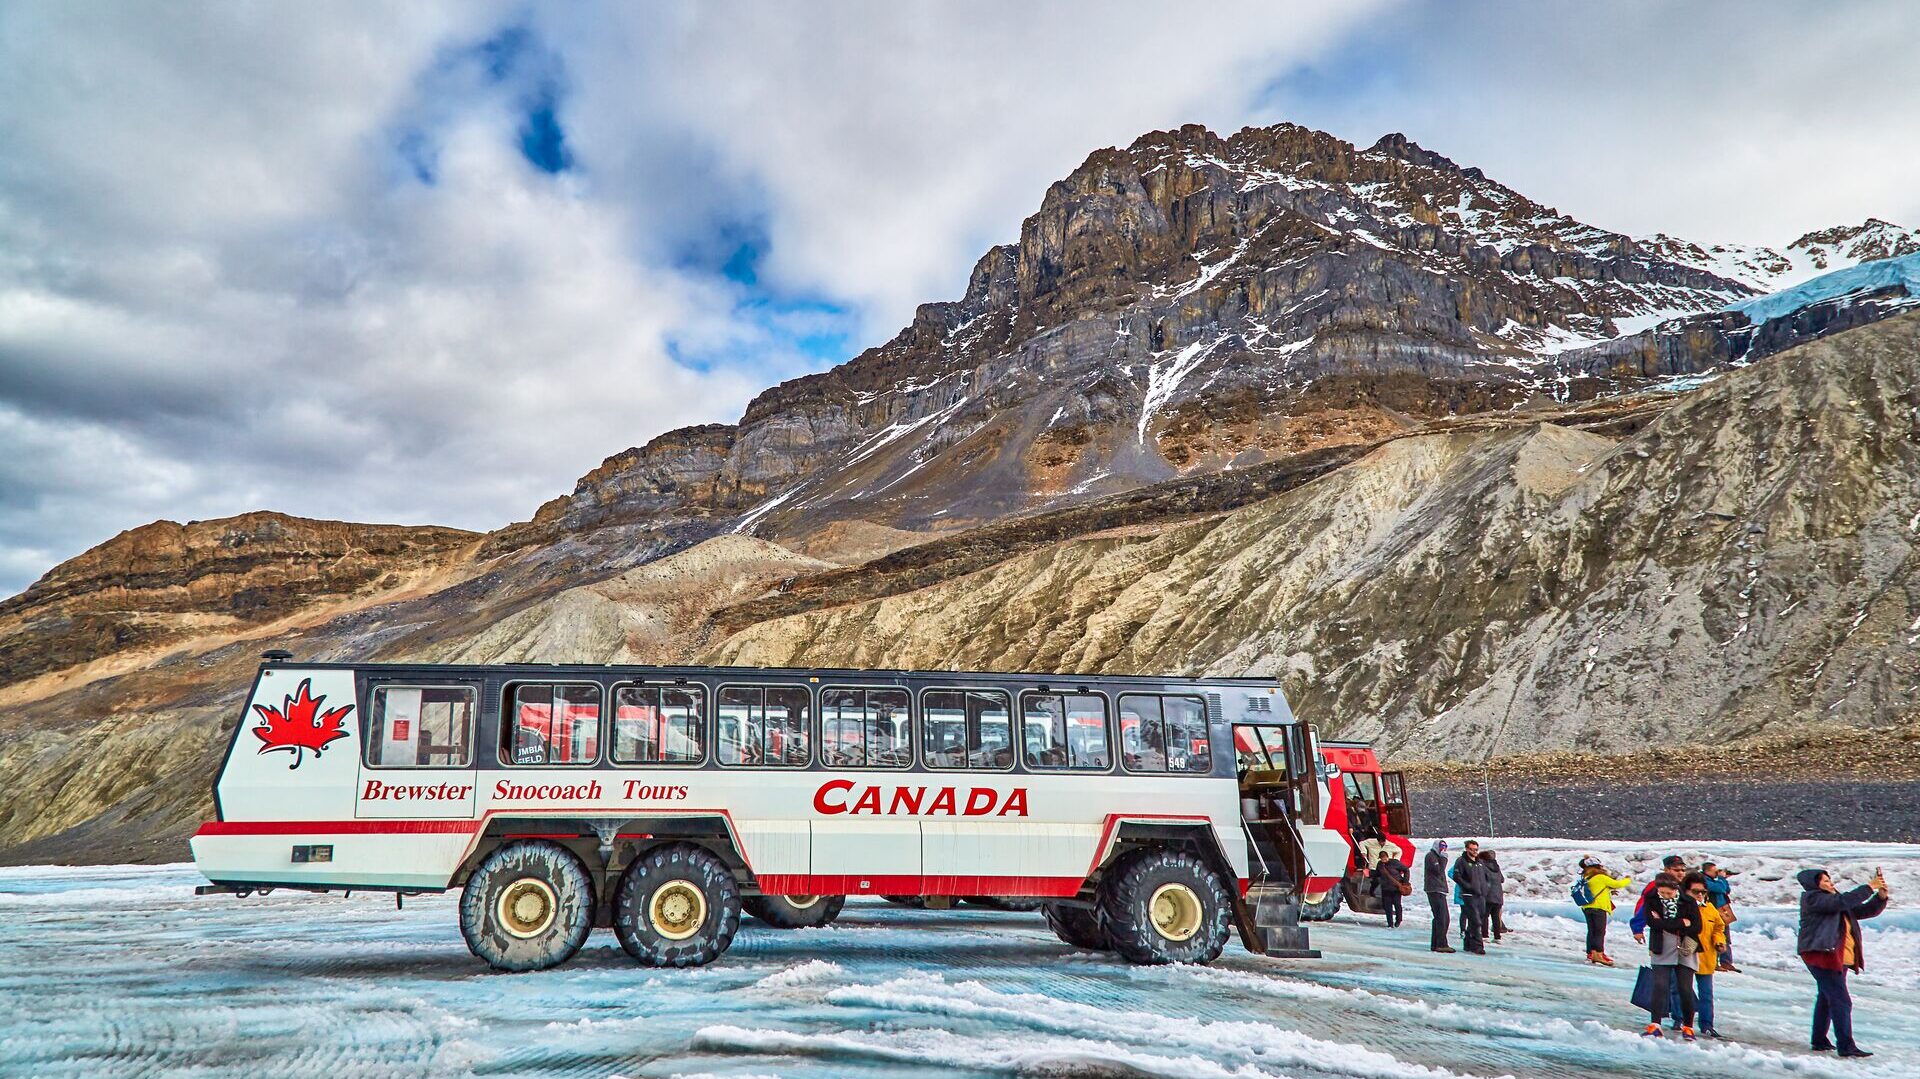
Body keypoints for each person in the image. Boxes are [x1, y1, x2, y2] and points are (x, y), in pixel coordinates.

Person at [1797, 866, 1890, 1058]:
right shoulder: (1813, 899)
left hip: (1837, 957)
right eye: (1823, 880)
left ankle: (1819, 1041)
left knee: (1826, 998)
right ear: (1814, 885)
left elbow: (1862, 910)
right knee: (1841, 1000)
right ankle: (1846, 1046)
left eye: (1829, 879)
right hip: (1822, 955)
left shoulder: (1833, 899)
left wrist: (1879, 897)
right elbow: (1841, 902)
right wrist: (1869, 886)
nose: (1829, 883)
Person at [1640, 875, 1701, 1041]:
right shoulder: (1652, 898)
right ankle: (1655, 1024)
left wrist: (1666, 922)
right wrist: (1682, 922)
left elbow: (1697, 926)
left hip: (1686, 946)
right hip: (1661, 945)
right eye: (1662, 893)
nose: (1665, 896)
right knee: (1660, 985)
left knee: (1685, 988)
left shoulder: (1688, 901)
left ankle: (1688, 1026)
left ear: (1676, 890)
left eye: (1668, 893)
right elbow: (1652, 923)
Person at [1686, 873, 1728, 1039]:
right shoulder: (1682, 907)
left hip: (1706, 956)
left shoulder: (1710, 909)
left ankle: (1707, 1025)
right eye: (1695, 891)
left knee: (1706, 994)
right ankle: (1680, 1019)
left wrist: (1719, 941)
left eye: (1703, 891)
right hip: (1686, 955)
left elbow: (1719, 928)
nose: (1700, 895)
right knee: (1682, 991)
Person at [1576, 856, 1632, 966]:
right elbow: (1618, 884)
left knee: (1592, 931)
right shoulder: (1600, 877)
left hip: (1587, 907)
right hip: (1599, 908)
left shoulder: (1586, 877)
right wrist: (1628, 879)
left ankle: (1591, 953)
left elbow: (1596, 889)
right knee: (1599, 932)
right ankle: (1599, 955)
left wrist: (1609, 891)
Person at [1702, 861, 1741, 972]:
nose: (1717, 873)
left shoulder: (1716, 881)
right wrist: (1721, 879)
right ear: (1708, 871)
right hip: (1713, 912)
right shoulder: (1704, 881)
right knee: (1715, 937)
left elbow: (1726, 890)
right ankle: (1714, 962)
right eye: (1715, 871)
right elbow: (1720, 889)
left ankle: (1726, 962)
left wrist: (1722, 880)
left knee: (1726, 938)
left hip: (1722, 911)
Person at [1451, 840, 1488, 955]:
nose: (1474, 852)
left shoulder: (1480, 862)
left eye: (1476, 849)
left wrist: (1485, 889)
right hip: (1468, 895)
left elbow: (1485, 877)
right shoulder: (1461, 861)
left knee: (1479, 919)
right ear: (1467, 849)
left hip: (1480, 895)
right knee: (1475, 920)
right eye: (1472, 849)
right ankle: (1478, 946)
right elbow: (1456, 876)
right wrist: (1468, 886)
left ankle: (1468, 942)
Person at [1424, 839, 1455, 953]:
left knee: (1441, 917)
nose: (1443, 849)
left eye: (1445, 847)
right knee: (1442, 917)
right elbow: (1439, 870)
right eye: (1441, 846)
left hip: (1439, 889)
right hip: (1434, 889)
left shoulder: (1434, 856)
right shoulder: (1431, 856)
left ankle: (1436, 943)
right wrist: (1444, 858)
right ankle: (1440, 944)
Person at [1373, 851, 1409, 928]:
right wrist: (1369, 873)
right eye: (1382, 858)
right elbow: (1377, 874)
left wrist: (1405, 882)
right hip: (1385, 889)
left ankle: (1398, 920)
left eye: (1385, 857)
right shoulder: (1380, 864)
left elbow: (1406, 870)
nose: (1384, 859)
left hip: (1396, 889)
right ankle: (1390, 924)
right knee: (1387, 907)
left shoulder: (1395, 862)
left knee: (1397, 905)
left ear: (1387, 856)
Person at [1480, 849, 1507, 943]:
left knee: (1484, 916)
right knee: (1496, 917)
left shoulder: (1482, 866)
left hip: (1488, 894)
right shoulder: (1496, 866)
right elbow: (1502, 879)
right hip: (1498, 895)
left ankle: (1484, 935)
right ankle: (1497, 937)